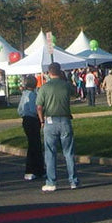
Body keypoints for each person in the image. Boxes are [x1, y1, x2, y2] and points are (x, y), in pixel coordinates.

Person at [37, 62, 78, 192]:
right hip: (65, 119)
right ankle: (73, 180)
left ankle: (51, 182)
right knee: (68, 152)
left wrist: (41, 120)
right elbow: (76, 93)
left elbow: (39, 106)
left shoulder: (44, 87)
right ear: (60, 72)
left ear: (49, 72)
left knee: (50, 153)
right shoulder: (66, 85)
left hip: (50, 120)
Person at [17, 75, 46, 181]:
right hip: (32, 120)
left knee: (34, 144)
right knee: (35, 145)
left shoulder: (24, 95)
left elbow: (19, 110)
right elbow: (35, 109)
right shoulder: (32, 95)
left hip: (25, 119)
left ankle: (38, 170)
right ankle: (32, 170)